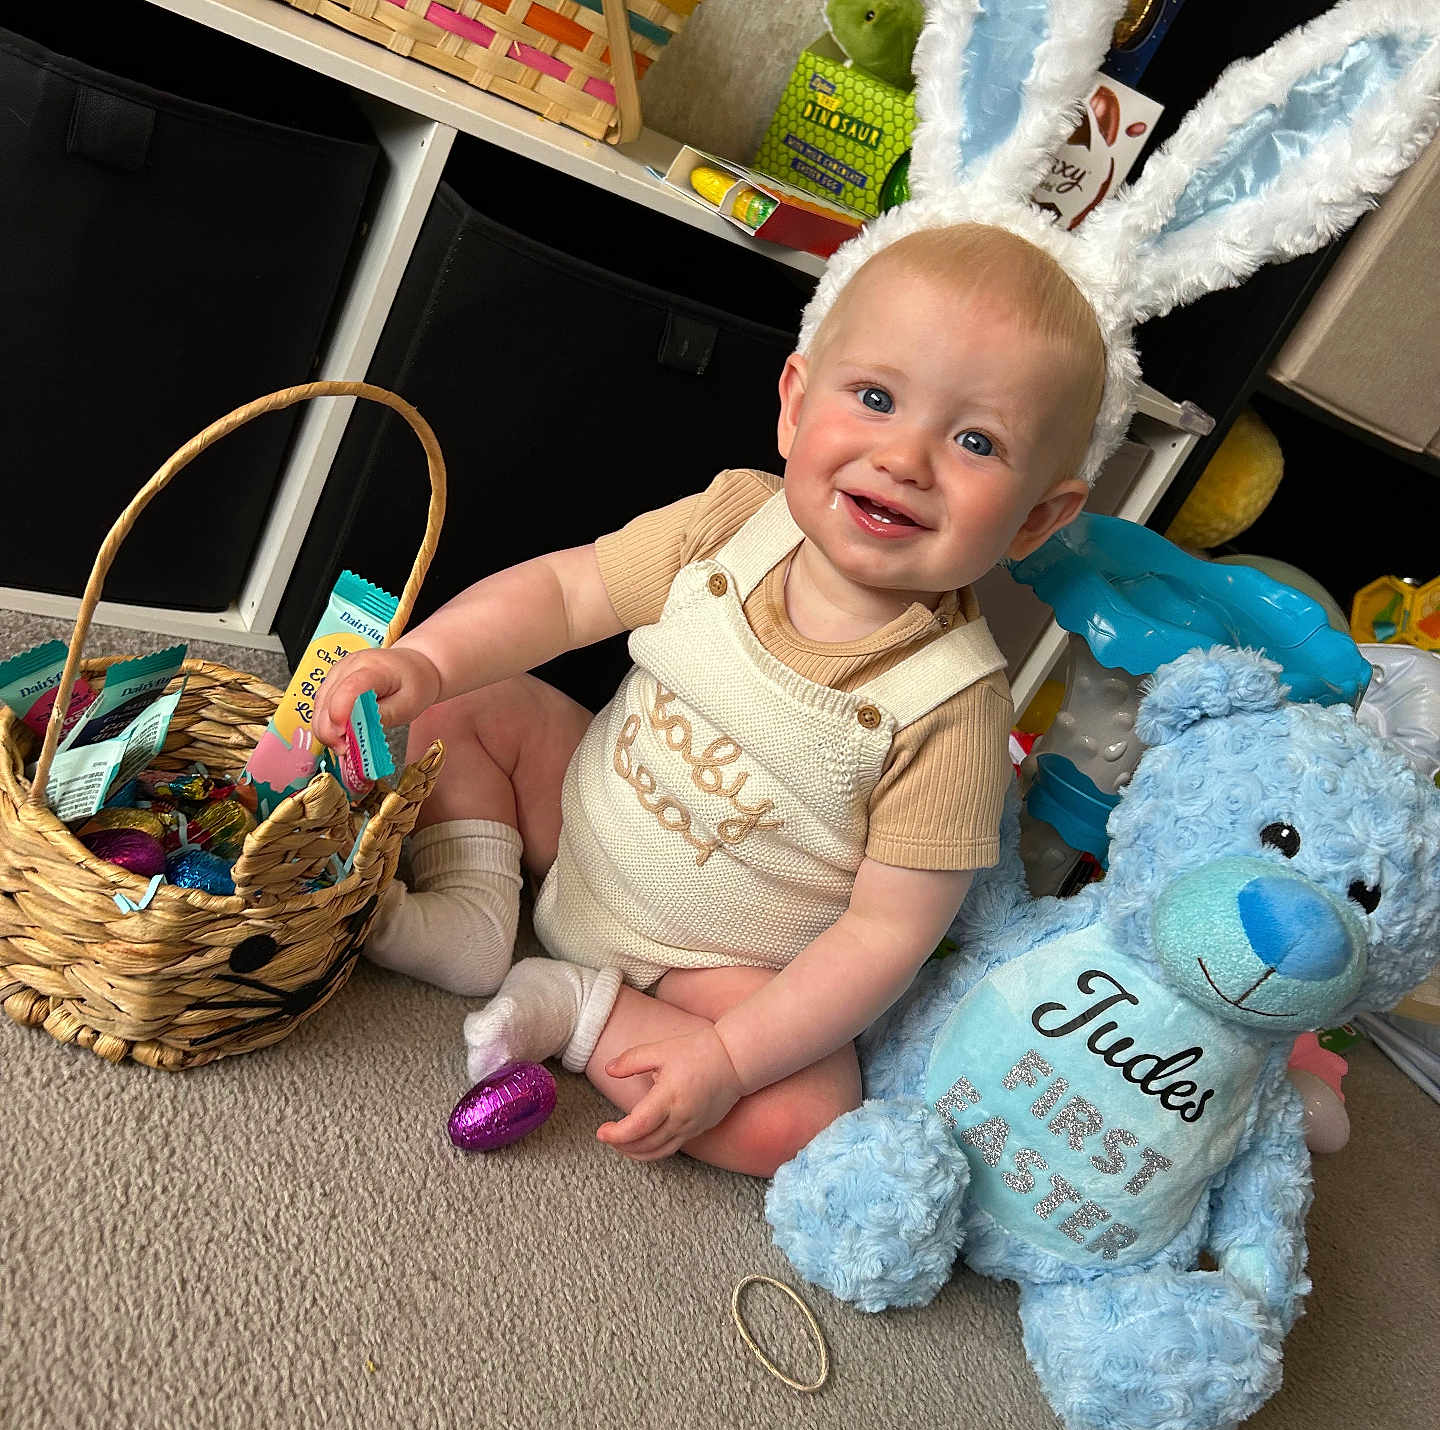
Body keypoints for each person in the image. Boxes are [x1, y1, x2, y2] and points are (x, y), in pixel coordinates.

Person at [312, 222, 1105, 1177]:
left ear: (1038, 517)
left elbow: (887, 933)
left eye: (976, 441)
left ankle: (582, 1009)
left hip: (714, 964)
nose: (906, 457)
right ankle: (478, 906)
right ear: (796, 405)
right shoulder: (733, 521)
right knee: (462, 706)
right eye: (876, 398)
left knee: (802, 1122)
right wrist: (428, 663)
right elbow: (563, 594)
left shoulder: (955, 709)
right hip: (580, 824)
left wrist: (728, 1058)